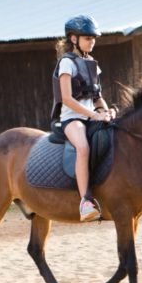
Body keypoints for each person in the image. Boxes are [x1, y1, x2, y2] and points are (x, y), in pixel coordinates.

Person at [51, 15, 114, 221]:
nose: (92, 41)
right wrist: (93, 115)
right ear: (74, 39)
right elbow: (67, 99)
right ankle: (85, 202)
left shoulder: (93, 65)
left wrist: (106, 112)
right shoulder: (66, 63)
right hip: (72, 120)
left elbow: (97, 97)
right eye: (87, 38)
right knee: (83, 148)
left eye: (94, 38)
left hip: (92, 117)